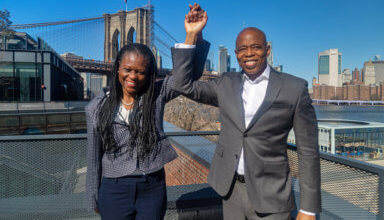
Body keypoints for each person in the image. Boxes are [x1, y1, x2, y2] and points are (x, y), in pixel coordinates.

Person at [171, 4, 321, 220]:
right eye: (242, 49)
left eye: (256, 47)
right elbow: (182, 85)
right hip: (230, 191)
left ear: (267, 49)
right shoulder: (225, 84)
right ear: (235, 53)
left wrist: (308, 209)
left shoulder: (294, 88)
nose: (249, 53)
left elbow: (308, 152)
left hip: (272, 196)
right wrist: (192, 35)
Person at [85, 12, 209, 219]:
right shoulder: (97, 107)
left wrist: (192, 36)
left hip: (151, 186)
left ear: (149, 74)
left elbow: (184, 79)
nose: (133, 76)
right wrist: (93, 198)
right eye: (127, 69)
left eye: (140, 72)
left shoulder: (157, 95)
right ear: (117, 70)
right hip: (114, 189)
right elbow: (93, 156)